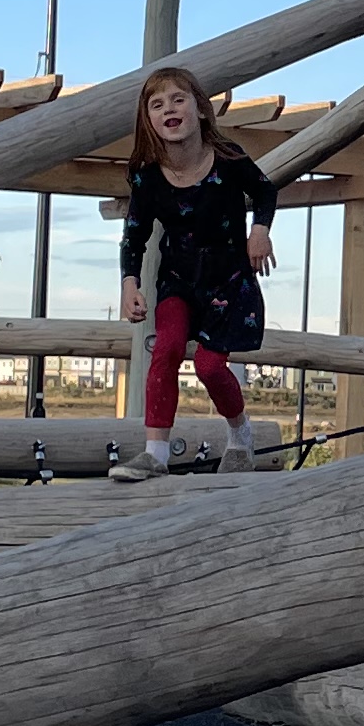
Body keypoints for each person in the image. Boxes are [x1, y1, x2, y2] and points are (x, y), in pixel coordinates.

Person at [111, 64, 276, 480]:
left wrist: (260, 231)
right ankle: (155, 453)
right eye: (157, 104)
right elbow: (135, 237)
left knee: (208, 366)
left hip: (229, 282)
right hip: (179, 282)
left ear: (200, 110)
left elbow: (264, 189)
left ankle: (241, 435)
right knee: (164, 348)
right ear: (148, 120)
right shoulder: (148, 178)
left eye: (178, 99)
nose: (169, 108)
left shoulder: (228, 158)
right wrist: (129, 284)